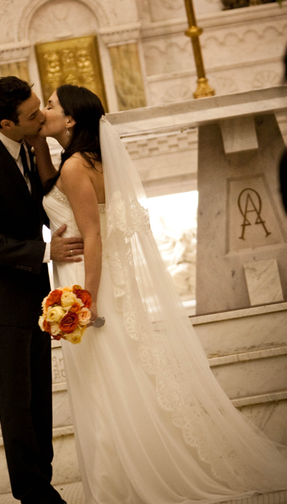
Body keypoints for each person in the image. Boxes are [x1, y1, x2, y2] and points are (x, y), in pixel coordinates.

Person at [32, 84, 287, 504]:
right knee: (113, 378)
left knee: (103, 382)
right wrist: (39, 137)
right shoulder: (82, 161)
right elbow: (50, 187)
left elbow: (92, 236)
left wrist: (83, 301)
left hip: (86, 282)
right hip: (92, 281)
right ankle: (125, 473)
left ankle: (118, 484)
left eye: (51, 106)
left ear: (72, 118)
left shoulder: (76, 167)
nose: (44, 112)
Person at [0, 76, 83, 504]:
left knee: (39, 398)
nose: (40, 116)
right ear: (7, 123)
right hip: (0, 302)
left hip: (34, 294)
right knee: (16, 400)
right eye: (31, 115)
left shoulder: (31, 145)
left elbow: (43, 203)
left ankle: (41, 482)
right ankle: (32, 492)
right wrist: (47, 250)